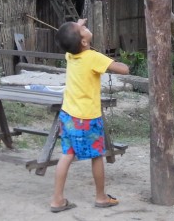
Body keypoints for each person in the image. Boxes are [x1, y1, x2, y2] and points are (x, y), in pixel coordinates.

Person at [49, 18, 129, 213]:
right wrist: (115, 62)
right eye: (83, 28)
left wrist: (77, 25)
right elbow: (123, 70)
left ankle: (57, 200)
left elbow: (72, 40)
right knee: (97, 156)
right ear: (84, 42)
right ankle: (101, 197)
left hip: (68, 115)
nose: (85, 27)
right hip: (87, 118)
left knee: (67, 154)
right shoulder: (93, 57)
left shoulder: (70, 55)